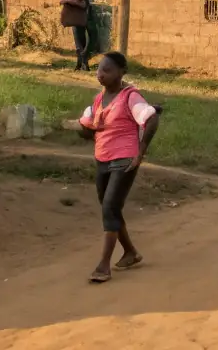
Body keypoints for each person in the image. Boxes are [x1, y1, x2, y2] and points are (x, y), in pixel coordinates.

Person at [77, 50, 160, 283]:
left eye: (106, 70)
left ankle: (104, 265)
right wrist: (82, 127)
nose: (100, 74)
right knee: (109, 207)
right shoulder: (98, 100)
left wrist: (140, 152)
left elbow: (151, 119)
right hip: (103, 157)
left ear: (121, 73)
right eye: (99, 69)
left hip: (125, 158)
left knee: (110, 206)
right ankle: (130, 252)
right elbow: (88, 129)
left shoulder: (130, 96)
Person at [61, 0, 93, 71]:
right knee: (80, 44)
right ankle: (82, 65)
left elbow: (83, 4)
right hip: (77, 21)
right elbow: (78, 4)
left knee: (81, 43)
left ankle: (81, 64)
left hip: (80, 21)